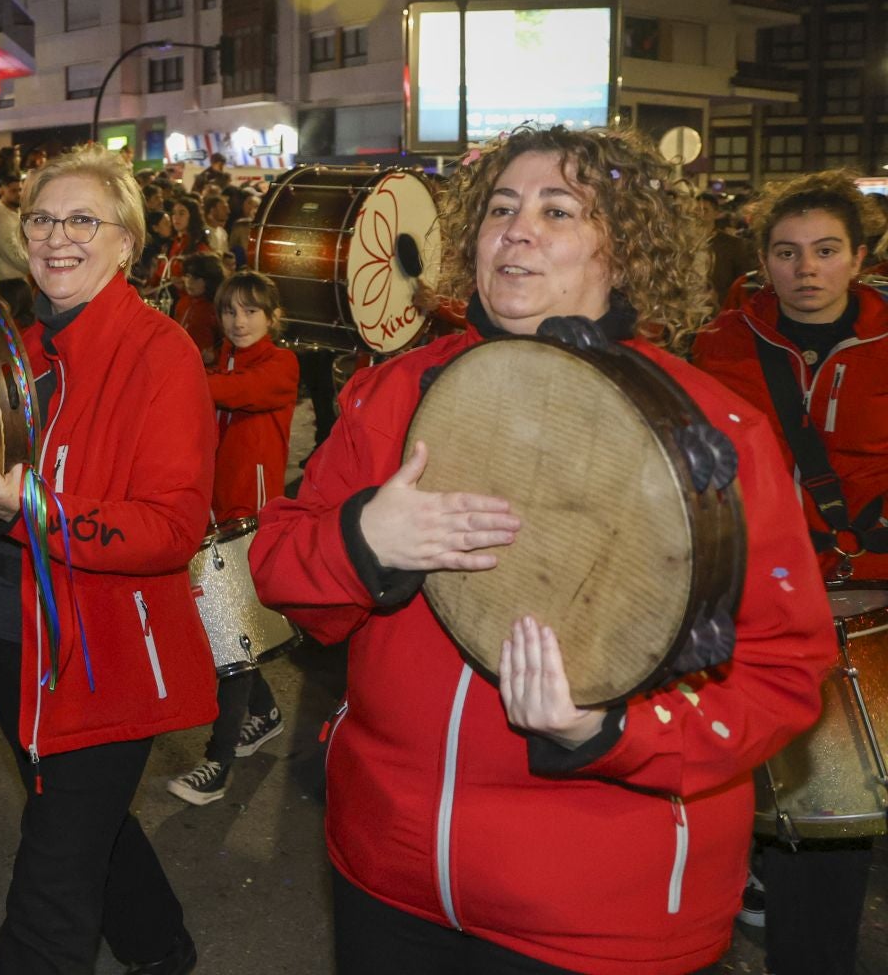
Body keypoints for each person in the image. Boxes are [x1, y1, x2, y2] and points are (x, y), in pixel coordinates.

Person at [250, 125, 834, 974]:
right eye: (499, 208)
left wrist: (611, 728)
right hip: (386, 874)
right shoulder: (391, 392)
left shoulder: (716, 431)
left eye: (557, 209)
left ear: (623, 250)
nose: (516, 230)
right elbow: (279, 571)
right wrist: (363, 541)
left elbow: (783, 674)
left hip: (598, 919)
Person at [0, 144, 214, 974]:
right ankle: (163, 951)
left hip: (102, 656)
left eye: (83, 220)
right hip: (13, 642)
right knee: (87, 829)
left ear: (126, 243)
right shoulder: (18, 351)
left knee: (49, 884)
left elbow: (170, 528)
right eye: (42, 219)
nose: (55, 237)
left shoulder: (162, 354)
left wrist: (39, 511)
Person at [691, 170, 887, 975]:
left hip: (876, 596)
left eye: (826, 250)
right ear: (763, 260)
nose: (806, 268)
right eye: (786, 251)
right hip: (769, 605)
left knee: (835, 831)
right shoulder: (719, 346)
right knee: (812, 822)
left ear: (862, 256)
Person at [167, 271, 298, 806]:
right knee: (231, 630)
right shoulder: (213, 363)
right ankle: (264, 714)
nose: (238, 321)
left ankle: (217, 763)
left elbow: (233, 393)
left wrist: (170, 374)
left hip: (249, 523)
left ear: (272, 317)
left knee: (230, 643)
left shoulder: (279, 365)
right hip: (213, 519)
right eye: (229, 312)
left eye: (250, 311)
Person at [173, 254, 224, 366]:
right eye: (187, 276)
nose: (189, 282)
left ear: (209, 280)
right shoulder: (182, 302)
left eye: (196, 278)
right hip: (178, 364)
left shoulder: (216, 308)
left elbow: (231, 346)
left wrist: (214, 356)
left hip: (204, 370)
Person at [0, 172, 29, 284]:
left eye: (20, 190)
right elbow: (14, 255)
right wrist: (42, 267)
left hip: (23, 280)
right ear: (1, 191)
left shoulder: (17, 211)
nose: (18, 194)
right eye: (13, 191)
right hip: (10, 283)